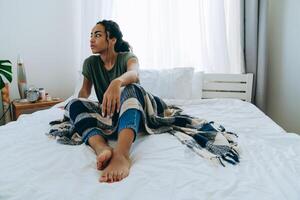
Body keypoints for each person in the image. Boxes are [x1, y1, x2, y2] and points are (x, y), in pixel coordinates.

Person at [76, 20, 142, 183]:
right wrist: (77, 106)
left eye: (97, 35)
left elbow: (134, 74)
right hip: (109, 114)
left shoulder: (127, 57)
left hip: (133, 110)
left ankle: (121, 155)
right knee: (74, 104)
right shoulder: (90, 63)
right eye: (91, 35)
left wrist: (116, 82)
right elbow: (85, 91)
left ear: (112, 39)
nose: (91, 39)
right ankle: (101, 147)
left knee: (130, 88)